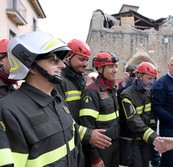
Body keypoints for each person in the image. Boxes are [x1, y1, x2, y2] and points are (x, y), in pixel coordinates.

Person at [0, 31, 111, 166]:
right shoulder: (8, 111)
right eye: (54, 60)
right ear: (31, 66)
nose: (62, 65)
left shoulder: (57, 100)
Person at [79, 51, 120, 167]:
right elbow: (87, 128)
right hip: (100, 150)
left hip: (114, 146)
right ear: (100, 69)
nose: (115, 70)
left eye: (116, 66)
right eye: (111, 66)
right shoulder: (91, 92)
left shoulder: (111, 90)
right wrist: (94, 157)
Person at [119, 62, 163, 167]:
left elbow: (151, 115)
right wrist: (153, 137)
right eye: (149, 78)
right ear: (139, 76)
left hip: (145, 140)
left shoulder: (147, 92)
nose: (151, 82)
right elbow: (134, 122)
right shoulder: (126, 95)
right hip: (132, 141)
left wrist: (151, 131)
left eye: (153, 79)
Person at [56, 39, 90, 122]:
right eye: (81, 59)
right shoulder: (59, 81)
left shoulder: (80, 79)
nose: (85, 64)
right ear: (68, 57)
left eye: (87, 60)